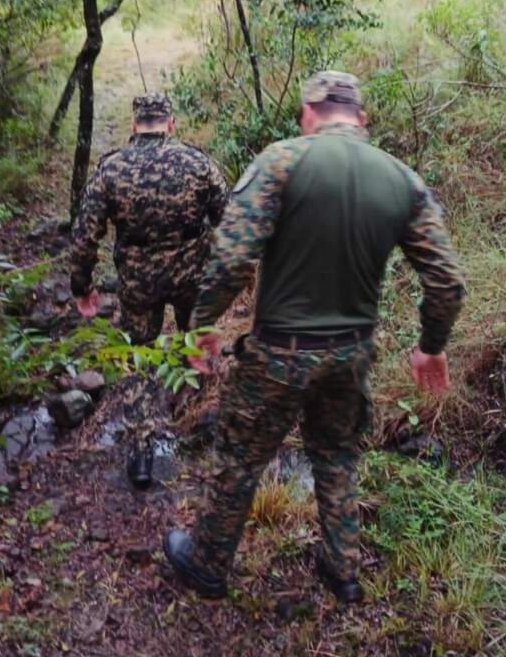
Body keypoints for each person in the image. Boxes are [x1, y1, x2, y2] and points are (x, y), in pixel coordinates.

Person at [163, 71, 465, 601]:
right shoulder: (402, 180)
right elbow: (446, 280)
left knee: (241, 457)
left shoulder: (282, 160)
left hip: (279, 353)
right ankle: (342, 569)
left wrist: (203, 324)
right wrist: (431, 346)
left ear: (308, 113)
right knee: (337, 454)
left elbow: (233, 257)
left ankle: (207, 563)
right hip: (351, 355)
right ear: (362, 119)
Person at [70, 92, 228, 489]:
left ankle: (141, 453)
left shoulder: (111, 169)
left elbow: (85, 236)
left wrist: (81, 286)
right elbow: (229, 221)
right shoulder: (199, 164)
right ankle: (202, 432)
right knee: (197, 345)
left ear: (133, 123)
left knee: (140, 357)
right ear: (171, 123)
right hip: (192, 277)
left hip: (139, 283)